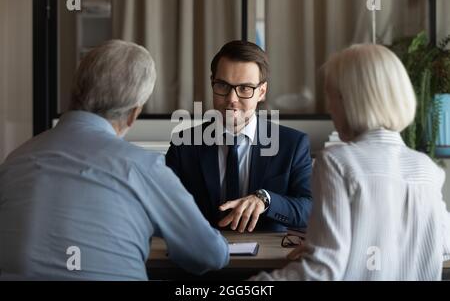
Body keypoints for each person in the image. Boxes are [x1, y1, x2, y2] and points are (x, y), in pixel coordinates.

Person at [0, 40, 229, 280]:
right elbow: (209, 255)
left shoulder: (14, 161)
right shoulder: (143, 167)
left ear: (76, 91)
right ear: (133, 114)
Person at [251, 44, 450, 280]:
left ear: (350, 100)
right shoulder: (427, 168)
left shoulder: (336, 163)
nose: (330, 108)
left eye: (331, 96)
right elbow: (443, 246)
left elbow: (322, 273)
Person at [166, 41, 312, 233]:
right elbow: (163, 206)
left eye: (245, 88)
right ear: (212, 84)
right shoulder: (183, 144)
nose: (231, 99)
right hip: (203, 257)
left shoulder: (292, 145)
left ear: (261, 92)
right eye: (223, 85)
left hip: (267, 259)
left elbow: (310, 210)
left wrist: (266, 200)